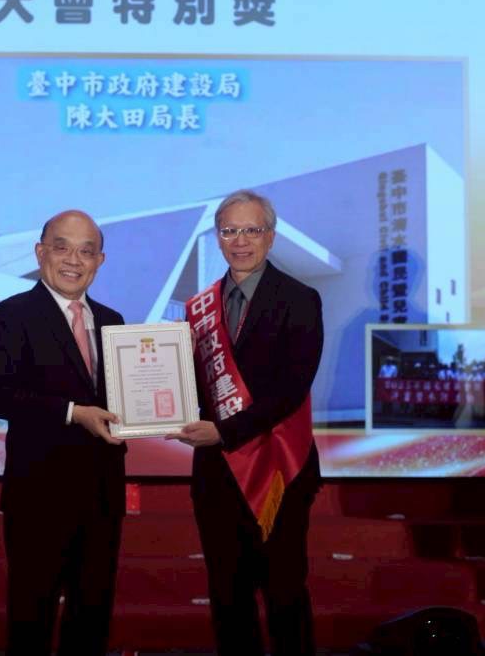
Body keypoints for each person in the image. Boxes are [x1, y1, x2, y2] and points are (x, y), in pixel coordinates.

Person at [169, 190, 324, 656]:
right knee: (227, 595)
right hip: (217, 473)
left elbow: (292, 388)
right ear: (218, 238)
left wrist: (226, 431)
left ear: (270, 237)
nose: (240, 241)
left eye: (251, 230)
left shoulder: (300, 299)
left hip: (280, 467)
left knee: (284, 592)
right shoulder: (198, 308)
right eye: (230, 231)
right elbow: (195, 388)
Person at [0, 209, 124, 656]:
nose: (73, 260)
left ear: (100, 260)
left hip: (101, 495)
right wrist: (73, 413)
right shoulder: (13, 314)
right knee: (32, 619)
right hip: (38, 496)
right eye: (62, 248)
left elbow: (123, 400)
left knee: (92, 619)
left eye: (86, 251)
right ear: (40, 252)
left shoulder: (114, 321)